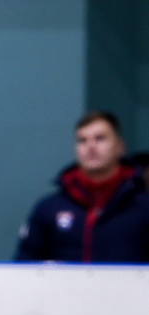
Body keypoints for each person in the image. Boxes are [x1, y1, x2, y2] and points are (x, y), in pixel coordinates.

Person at [15, 111, 149, 263]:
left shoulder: (143, 206)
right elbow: (24, 267)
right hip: (64, 287)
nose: (90, 147)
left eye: (100, 139)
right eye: (82, 141)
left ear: (119, 147)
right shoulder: (49, 208)